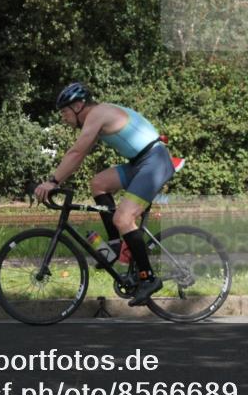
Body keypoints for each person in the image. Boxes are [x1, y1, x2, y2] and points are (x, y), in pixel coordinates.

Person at [34, 82, 176, 306]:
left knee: (123, 218)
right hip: (140, 162)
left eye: (65, 112)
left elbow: (77, 151)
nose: (64, 118)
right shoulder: (97, 115)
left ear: (79, 105)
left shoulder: (97, 114)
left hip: (154, 162)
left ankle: (149, 278)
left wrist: (53, 182)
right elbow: (79, 155)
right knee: (98, 183)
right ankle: (114, 247)